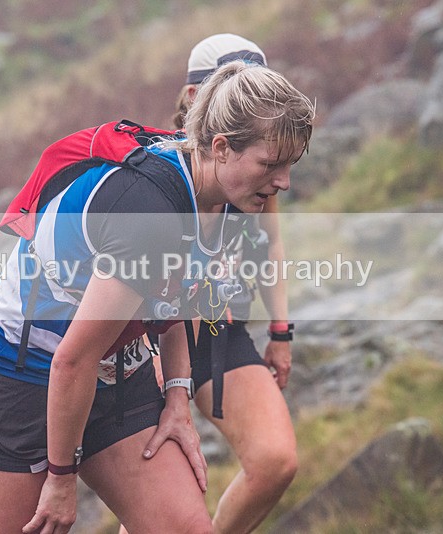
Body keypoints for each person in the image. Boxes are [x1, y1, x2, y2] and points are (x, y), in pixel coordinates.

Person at [0, 59, 314, 534]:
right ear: (221, 147)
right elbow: (72, 360)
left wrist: (178, 395)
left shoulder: (224, 196)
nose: (283, 182)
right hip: (18, 377)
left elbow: (177, 297)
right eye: (270, 164)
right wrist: (61, 478)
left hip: (116, 376)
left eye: (289, 166)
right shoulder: (150, 215)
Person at [176, 34, 302, 534]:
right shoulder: (166, 174)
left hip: (218, 330)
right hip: (151, 342)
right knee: (161, 508)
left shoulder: (259, 168)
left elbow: (271, 245)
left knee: (275, 461)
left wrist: (280, 331)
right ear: (194, 97)